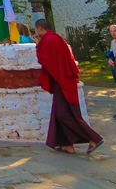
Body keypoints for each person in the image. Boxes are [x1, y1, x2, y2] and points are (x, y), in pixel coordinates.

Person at [35, 19, 104, 154]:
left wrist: (38, 45)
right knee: (59, 112)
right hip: (63, 78)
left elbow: (44, 58)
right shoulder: (56, 38)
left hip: (62, 80)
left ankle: (93, 138)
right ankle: (66, 145)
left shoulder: (49, 40)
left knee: (64, 114)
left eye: (37, 30)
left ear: (40, 28)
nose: (37, 32)